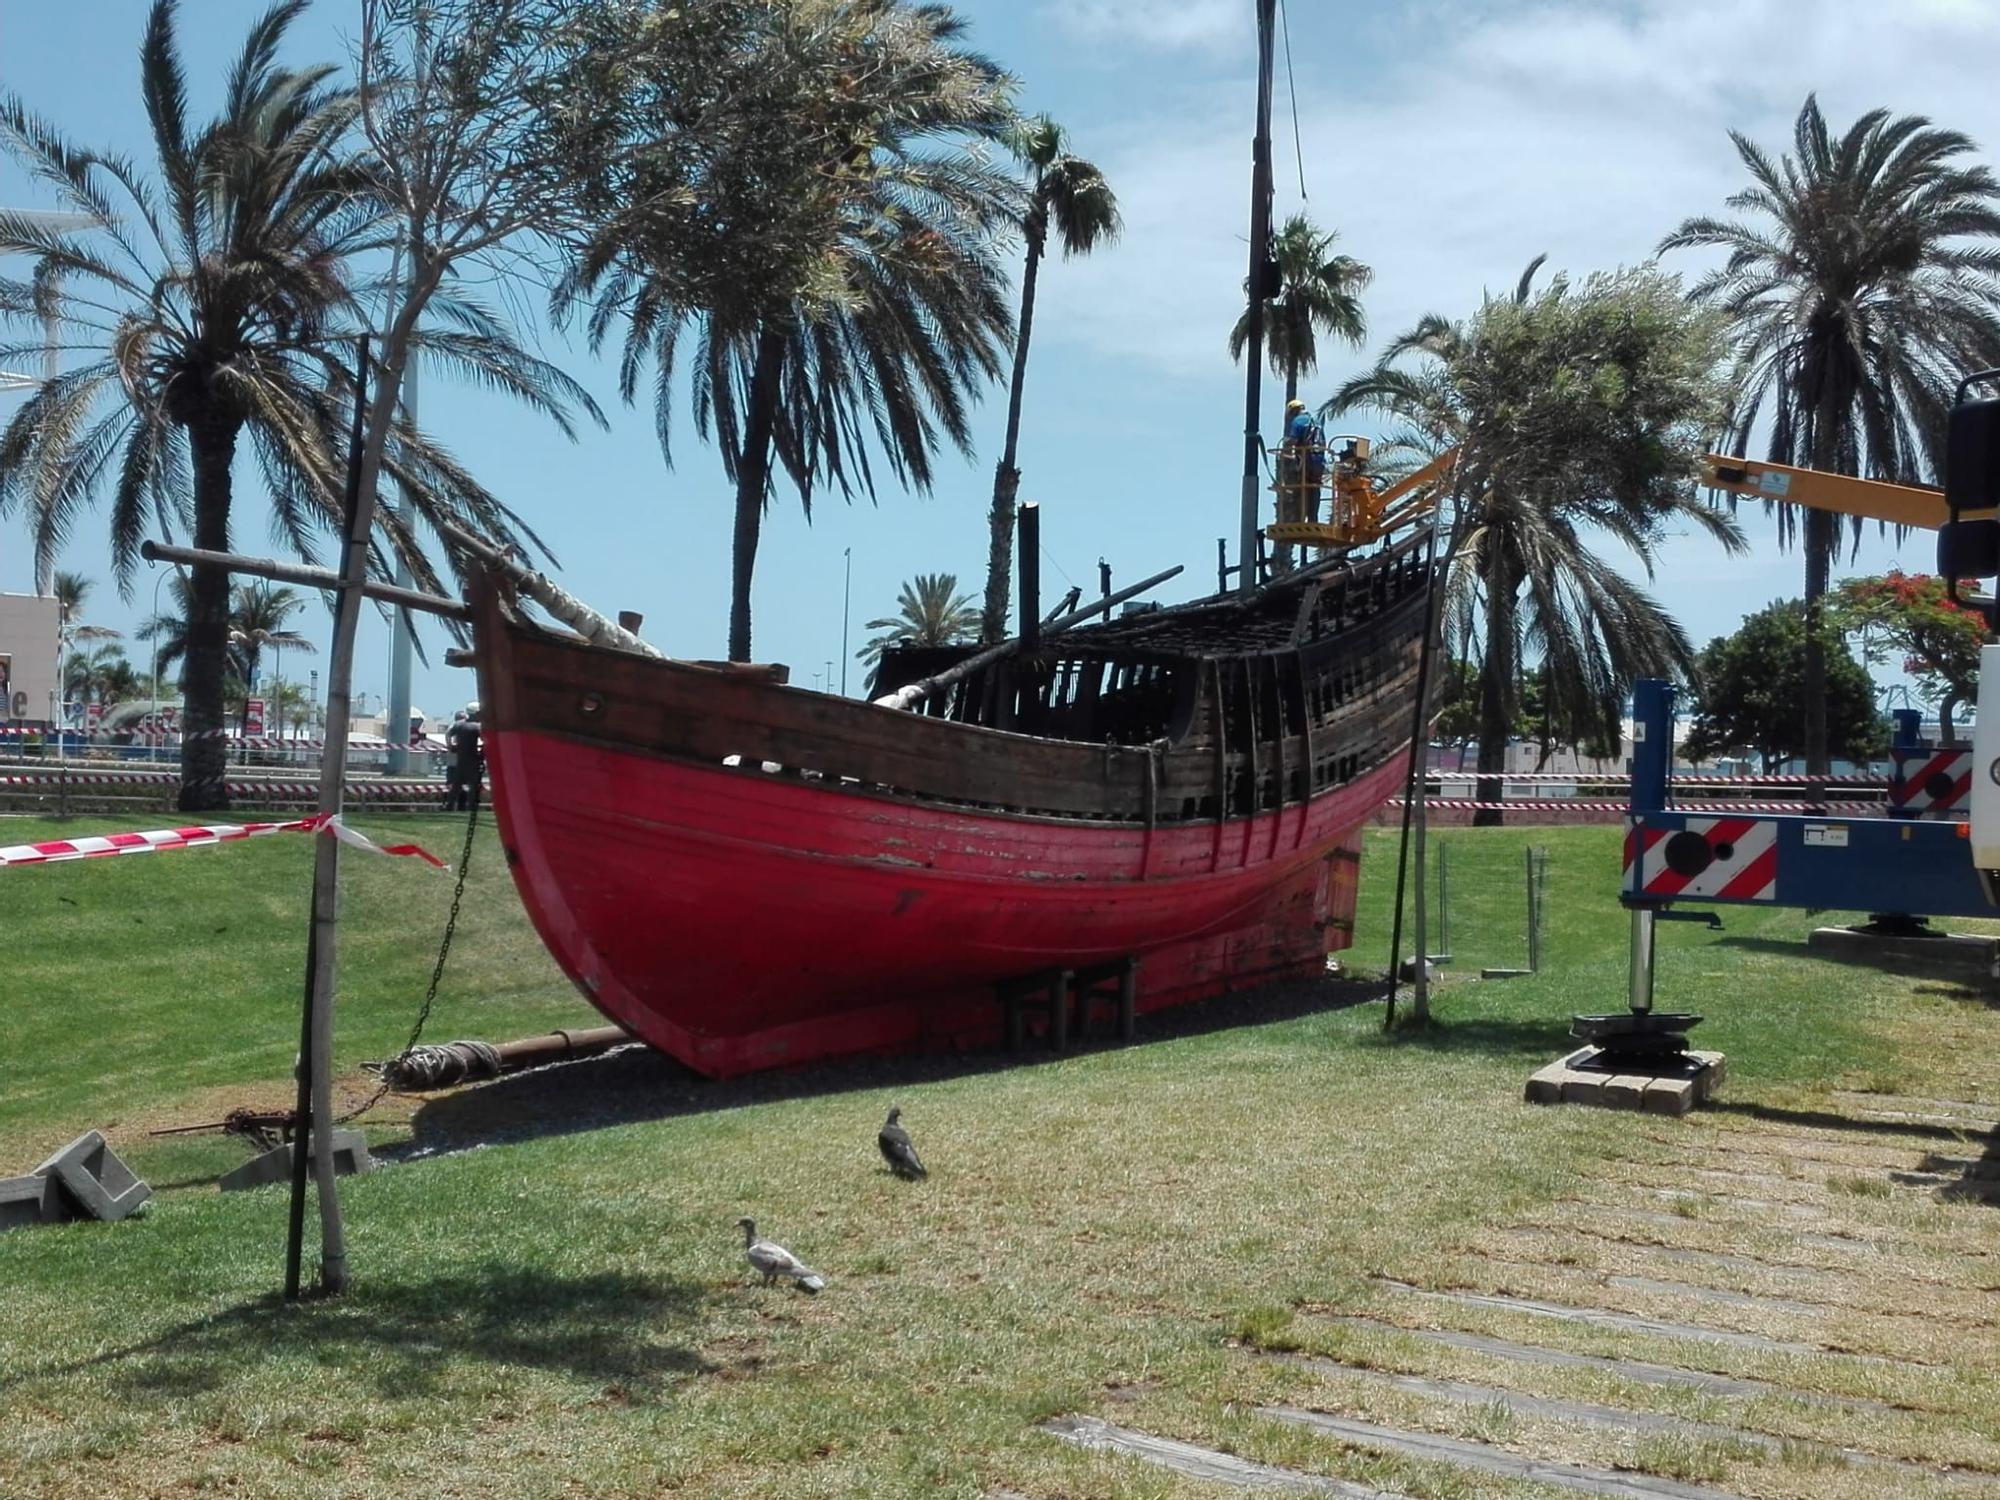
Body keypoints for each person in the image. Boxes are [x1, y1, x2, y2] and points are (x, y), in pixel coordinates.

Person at [1280, 398, 1326, 524]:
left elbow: (1293, 441)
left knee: (1302, 487)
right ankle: (1313, 518)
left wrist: (1285, 443)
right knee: (1314, 487)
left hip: (1307, 460)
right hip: (1319, 460)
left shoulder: (1298, 421)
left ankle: (1299, 517)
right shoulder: (1316, 422)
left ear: (1293, 411)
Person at [446, 702, 484, 812]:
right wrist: (483, 750)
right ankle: (472, 807)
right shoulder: (477, 726)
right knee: (473, 786)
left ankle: (449, 806)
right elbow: (485, 739)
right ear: (476, 713)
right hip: (473, 759)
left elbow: (448, 734)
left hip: (461, 759)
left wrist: (450, 746)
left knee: (456, 786)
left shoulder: (459, 724)